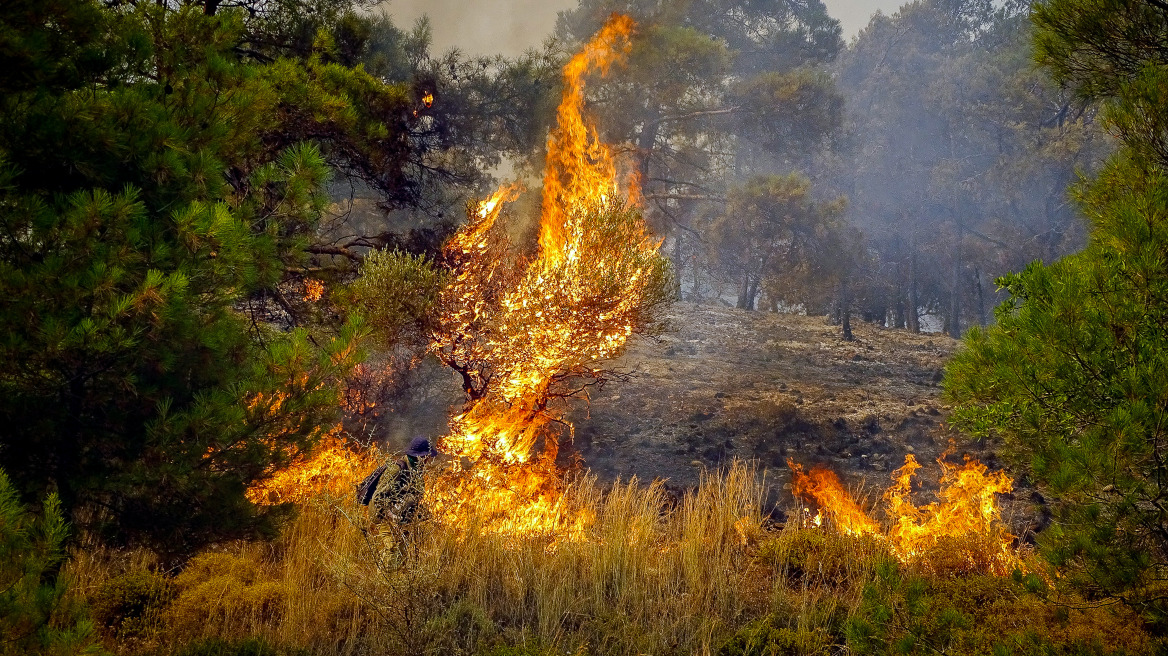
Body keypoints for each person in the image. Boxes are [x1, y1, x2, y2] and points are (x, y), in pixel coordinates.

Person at [368, 437, 437, 523]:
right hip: (381, 517)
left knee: (425, 514)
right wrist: (391, 516)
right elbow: (378, 498)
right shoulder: (397, 469)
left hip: (397, 512)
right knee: (410, 498)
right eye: (427, 456)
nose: (428, 459)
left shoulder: (415, 469)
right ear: (420, 456)